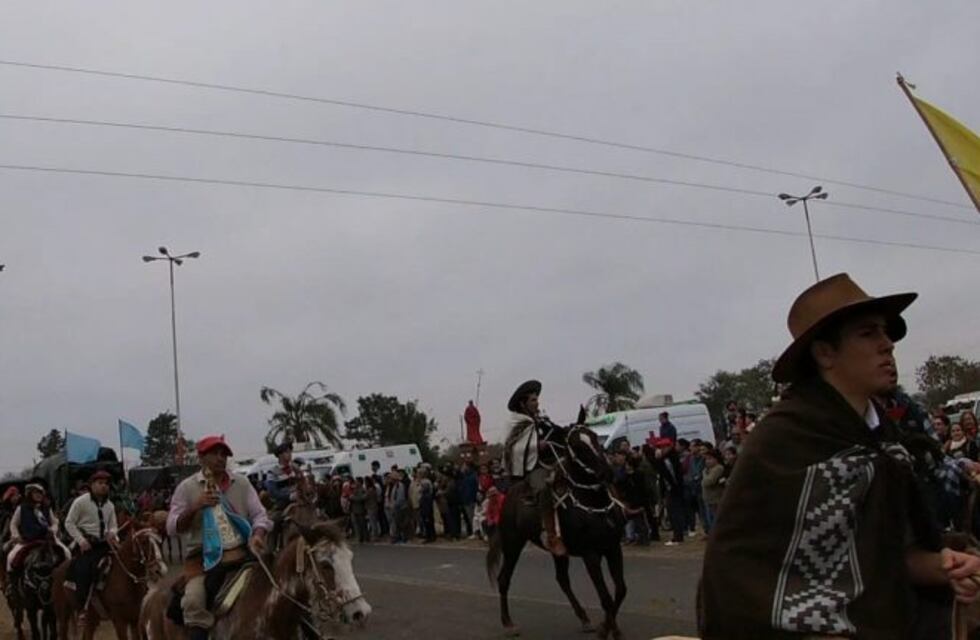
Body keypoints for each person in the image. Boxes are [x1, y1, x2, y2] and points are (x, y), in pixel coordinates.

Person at [701, 273, 980, 639]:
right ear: (824, 353)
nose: (888, 345)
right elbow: (744, 575)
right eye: (868, 333)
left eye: (886, 333)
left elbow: (888, 556)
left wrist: (947, 567)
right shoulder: (782, 441)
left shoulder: (886, 440)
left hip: (888, 613)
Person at [167, 436, 271, 640]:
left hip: (243, 554)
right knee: (193, 602)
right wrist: (195, 507)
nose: (220, 458)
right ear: (201, 458)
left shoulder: (241, 483)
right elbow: (171, 527)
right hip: (203, 561)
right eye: (214, 453)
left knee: (280, 587)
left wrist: (258, 534)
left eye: (224, 454)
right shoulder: (187, 487)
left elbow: (260, 515)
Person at [502, 380, 570, 556]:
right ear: (523, 403)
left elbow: (557, 433)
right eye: (533, 400)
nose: (537, 403)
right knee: (543, 488)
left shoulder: (540, 420)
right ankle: (551, 536)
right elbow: (511, 448)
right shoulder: (516, 422)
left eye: (536, 399)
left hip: (553, 462)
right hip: (533, 468)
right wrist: (536, 445)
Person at [63, 471, 118, 623]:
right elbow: (69, 523)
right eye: (100, 483)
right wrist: (81, 541)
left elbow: (113, 526)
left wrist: (112, 533)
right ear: (92, 485)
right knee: (84, 570)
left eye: (106, 484)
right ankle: (83, 607)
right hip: (86, 544)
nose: (104, 486)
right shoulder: (80, 502)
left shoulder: (110, 505)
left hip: (104, 543)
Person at [5, 484, 67, 596]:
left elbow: (55, 522)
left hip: (47, 540)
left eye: (40, 493)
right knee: (11, 557)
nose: (39, 495)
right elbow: (13, 524)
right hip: (28, 540)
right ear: (30, 494)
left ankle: (67, 582)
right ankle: (13, 586)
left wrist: (53, 530)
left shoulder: (47, 508)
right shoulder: (21, 508)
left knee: (67, 553)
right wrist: (16, 536)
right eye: (36, 493)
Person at [651, 438, 686, 545]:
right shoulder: (669, 458)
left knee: (674, 513)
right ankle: (677, 534)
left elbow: (670, 475)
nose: (661, 449)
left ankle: (678, 536)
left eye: (663, 447)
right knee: (672, 513)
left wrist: (673, 488)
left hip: (673, 489)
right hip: (671, 489)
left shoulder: (668, 459)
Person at [700, 448, 725, 535]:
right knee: (710, 521)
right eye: (706, 459)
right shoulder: (706, 470)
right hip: (708, 499)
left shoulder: (718, 468)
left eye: (710, 459)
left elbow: (708, 482)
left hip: (716, 499)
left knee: (716, 521)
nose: (707, 461)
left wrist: (704, 475)